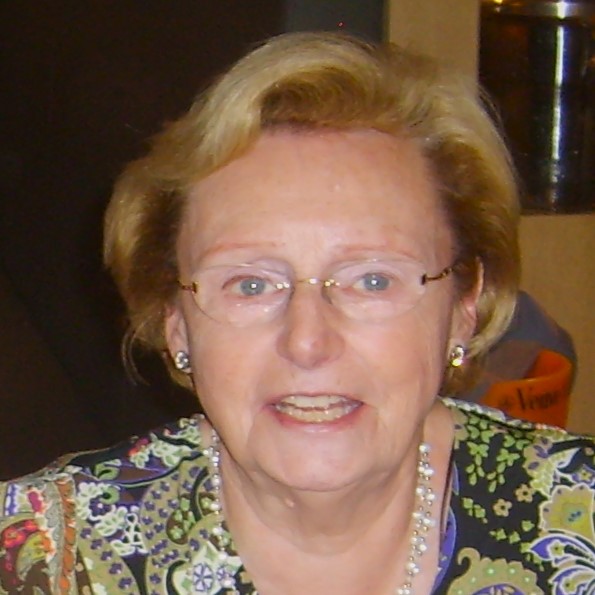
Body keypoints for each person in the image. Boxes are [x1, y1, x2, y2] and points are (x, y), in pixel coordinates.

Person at [1, 32, 594, 595]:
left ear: (465, 306)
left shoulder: (580, 519)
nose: (308, 342)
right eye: (251, 284)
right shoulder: (38, 558)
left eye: (372, 280)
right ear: (174, 319)